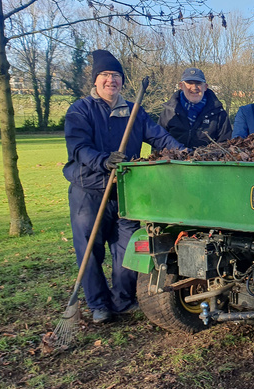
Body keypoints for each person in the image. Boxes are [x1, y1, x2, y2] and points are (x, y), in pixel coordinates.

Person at [63, 50, 185, 324]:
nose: (111, 80)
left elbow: (159, 137)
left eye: (115, 75)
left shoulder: (133, 111)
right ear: (95, 80)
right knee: (90, 249)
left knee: (127, 249)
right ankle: (98, 305)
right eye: (105, 75)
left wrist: (186, 153)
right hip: (89, 191)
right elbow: (79, 148)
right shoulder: (80, 110)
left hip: (126, 191)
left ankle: (123, 300)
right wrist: (104, 161)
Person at [158, 67, 232, 149]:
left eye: (198, 83)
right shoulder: (168, 112)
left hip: (207, 161)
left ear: (205, 87)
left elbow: (225, 144)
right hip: (174, 161)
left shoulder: (219, 113)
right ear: (181, 86)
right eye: (189, 83)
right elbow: (158, 142)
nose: (194, 87)